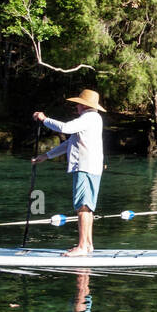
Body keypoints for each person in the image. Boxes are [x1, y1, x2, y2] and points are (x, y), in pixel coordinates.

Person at [32, 89, 106, 256]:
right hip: (92, 167)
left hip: (85, 167)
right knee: (88, 207)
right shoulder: (92, 119)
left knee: (82, 206)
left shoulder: (88, 118)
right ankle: (87, 245)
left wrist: (44, 119)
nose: (76, 107)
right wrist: (46, 156)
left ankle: (81, 247)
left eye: (78, 104)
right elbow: (69, 143)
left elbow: (65, 128)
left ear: (83, 105)